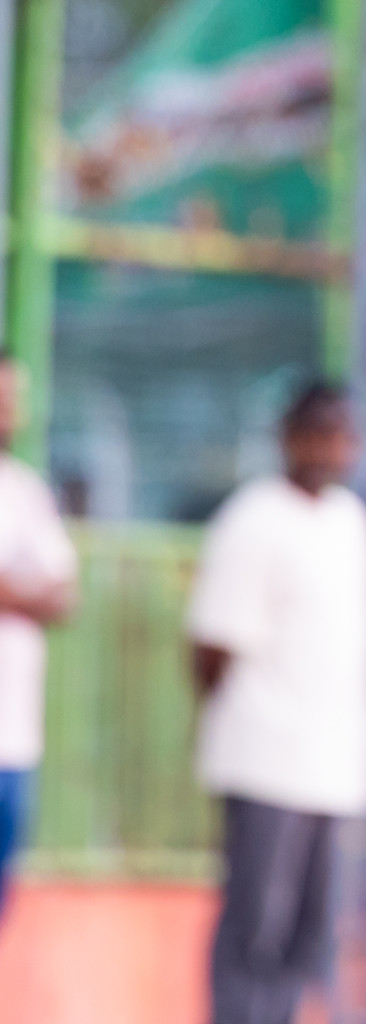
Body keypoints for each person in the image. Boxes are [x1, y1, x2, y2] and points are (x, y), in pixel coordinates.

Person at [186, 383, 366, 1024]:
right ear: (288, 437)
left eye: (343, 436)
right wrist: (252, 725)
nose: (332, 450)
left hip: (331, 767)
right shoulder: (254, 517)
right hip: (265, 761)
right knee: (254, 929)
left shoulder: (351, 519)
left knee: (310, 932)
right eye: (319, 434)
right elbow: (212, 649)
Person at [0, 353, 78, 915]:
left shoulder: (23, 491)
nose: (9, 410)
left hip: (13, 738)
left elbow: (61, 595)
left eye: (13, 398)